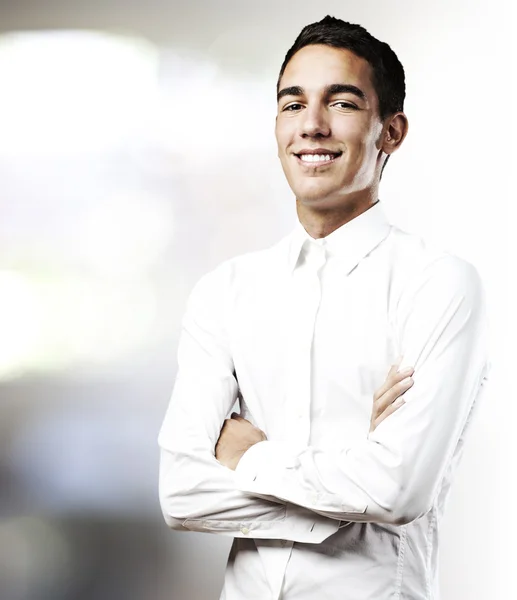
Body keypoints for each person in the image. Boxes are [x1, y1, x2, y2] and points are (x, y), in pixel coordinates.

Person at [158, 15, 489, 600]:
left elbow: (397, 492)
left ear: (391, 131)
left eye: (341, 103)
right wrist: (349, 484)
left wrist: (250, 457)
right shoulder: (226, 291)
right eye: (292, 104)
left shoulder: (439, 286)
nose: (311, 126)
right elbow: (181, 491)